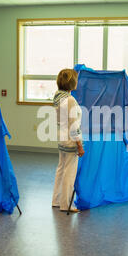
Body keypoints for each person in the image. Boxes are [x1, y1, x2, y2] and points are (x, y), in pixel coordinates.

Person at [52, 69, 84, 213]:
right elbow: (74, 124)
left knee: (61, 169)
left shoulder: (58, 96)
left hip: (61, 137)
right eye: (76, 79)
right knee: (69, 172)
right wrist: (79, 144)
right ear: (71, 82)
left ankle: (57, 200)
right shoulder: (70, 100)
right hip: (71, 139)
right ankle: (66, 204)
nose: (77, 82)